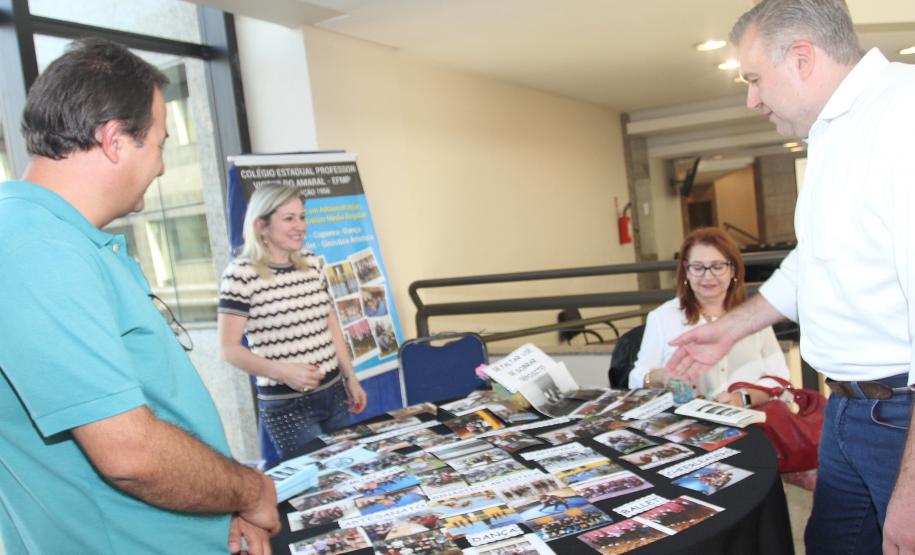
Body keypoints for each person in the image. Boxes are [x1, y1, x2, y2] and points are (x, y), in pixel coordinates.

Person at [0, 39, 278, 554]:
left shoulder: (68, 240)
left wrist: (219, 511)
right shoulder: (33, 248)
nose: (163, 166)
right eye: (160, 143)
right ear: (113, 140)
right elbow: (130, 454)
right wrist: (250, 489)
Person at [664, 1, 915, 552]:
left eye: (754, 79)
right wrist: (730, 327)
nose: (751, 98)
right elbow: (815, 259)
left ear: (802, 59)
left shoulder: (902, 118)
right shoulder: (833, 133)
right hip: (850, 409)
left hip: (900, 416)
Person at [218, 183, 368, 465]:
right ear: (261, 225)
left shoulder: (311, 262)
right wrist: (281, 371)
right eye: (289, 218)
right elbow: (228, 349)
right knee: (321, 489)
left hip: (335, 394)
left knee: (354, 476)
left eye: (302, 217)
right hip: (288, 407)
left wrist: (351, 377)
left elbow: (330, 322)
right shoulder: (241, 275)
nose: (300, 226)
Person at [629, 227, 790, 405]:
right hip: (688, 425)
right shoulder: (662, 317)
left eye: (717, 266)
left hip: (751, 421)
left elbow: (780, 380)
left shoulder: (753, 317)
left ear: (733, 270)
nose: (708, 276)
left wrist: (741, 399)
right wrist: (661, 377)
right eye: (698, 267)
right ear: (686, 271)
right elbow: (636, 379)